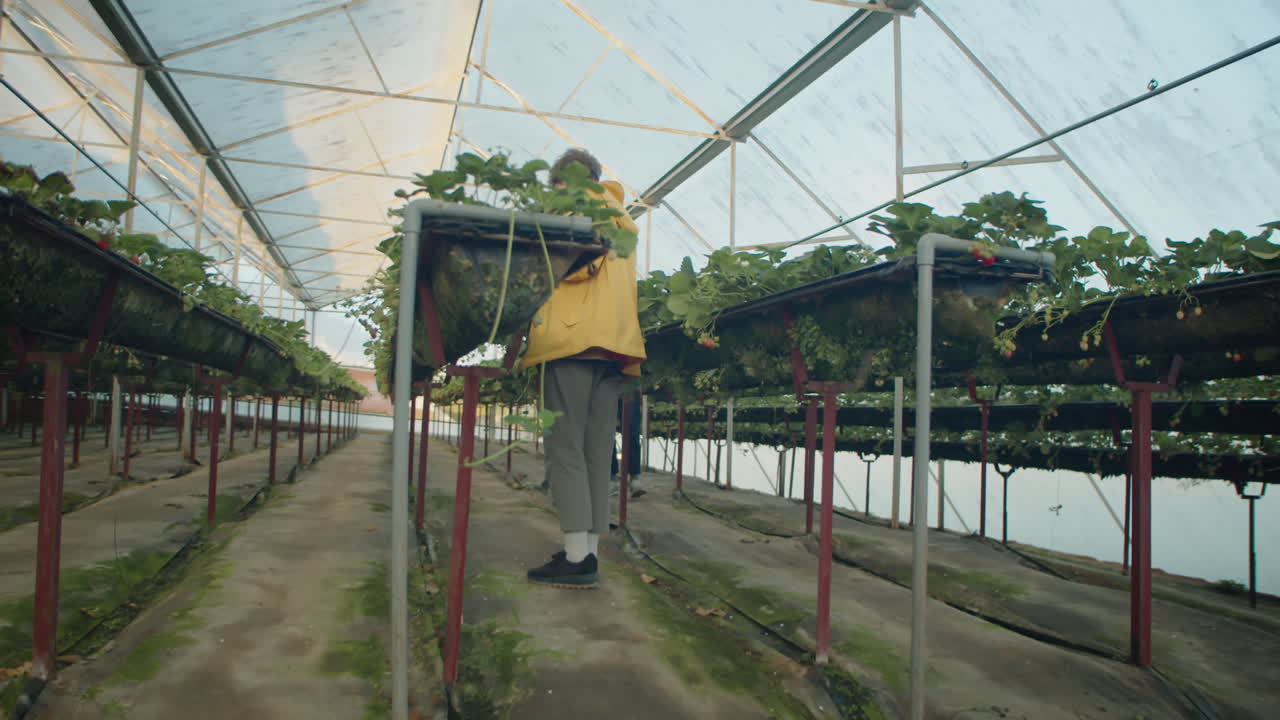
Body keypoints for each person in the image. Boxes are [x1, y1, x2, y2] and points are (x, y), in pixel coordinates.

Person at [519, 148, 646, 588]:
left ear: (565, 180)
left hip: (574, 339)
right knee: (596, 451)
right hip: (616, 346)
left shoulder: (579, 208)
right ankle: (586, 553)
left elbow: (572, 269)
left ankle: (577, 558)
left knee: (565, 447)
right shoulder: (622, 216)